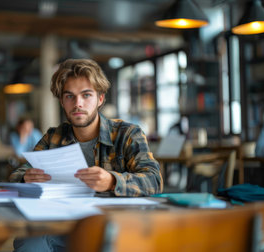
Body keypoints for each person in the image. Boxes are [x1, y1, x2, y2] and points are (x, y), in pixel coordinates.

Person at [9, 58, 162, 252]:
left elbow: (154, 180)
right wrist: (26, 177)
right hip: (62, 224)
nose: (77, 104)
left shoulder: (128, 134)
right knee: (28, 241)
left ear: (100, 99)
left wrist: (113, 181)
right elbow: (18, 173)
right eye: (69, 96)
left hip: (115, 226)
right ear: (62, 102)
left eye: (86, 95)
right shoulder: (53, 136)